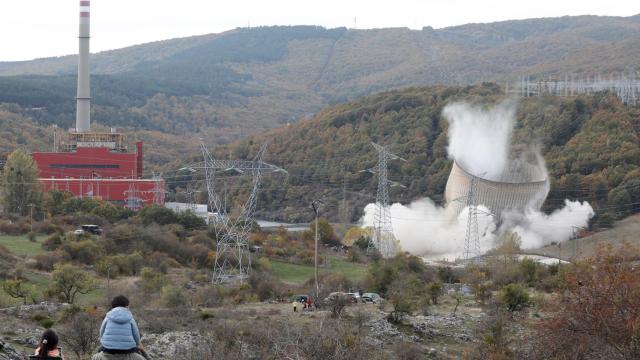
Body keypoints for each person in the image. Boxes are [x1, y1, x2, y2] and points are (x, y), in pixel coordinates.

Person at [92, 295, 146, 360]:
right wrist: (137, 344)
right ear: (126, 306)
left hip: (108, 349)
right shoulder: (130, 318)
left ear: (113, 306)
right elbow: (136, 335)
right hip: (126, 350)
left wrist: (104, 342)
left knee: (98, 352)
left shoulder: (108, 317)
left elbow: (101, 332)